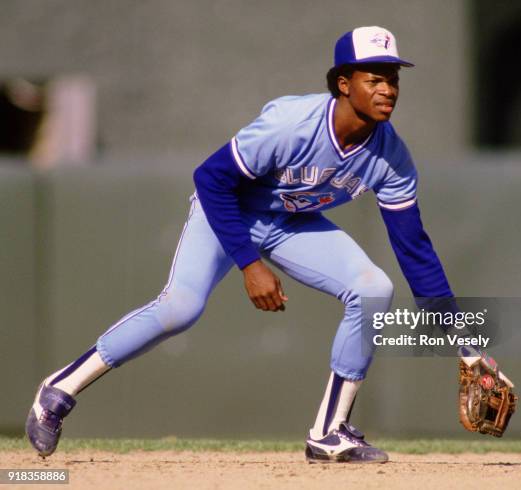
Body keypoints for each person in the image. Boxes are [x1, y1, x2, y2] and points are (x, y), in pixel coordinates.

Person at [27, 26, 469, 463]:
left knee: (373, 288)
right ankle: (58, 390)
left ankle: (329, 431)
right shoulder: (291, 124)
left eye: (393, 78)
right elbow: (211, 178)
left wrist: (467, 348)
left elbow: (414, 247)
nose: (387, 89)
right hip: (228, 211)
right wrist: (249, 264)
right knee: (180, 307)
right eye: (374, 78)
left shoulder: (392, 157)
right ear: (343, 84)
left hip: (288, 221)